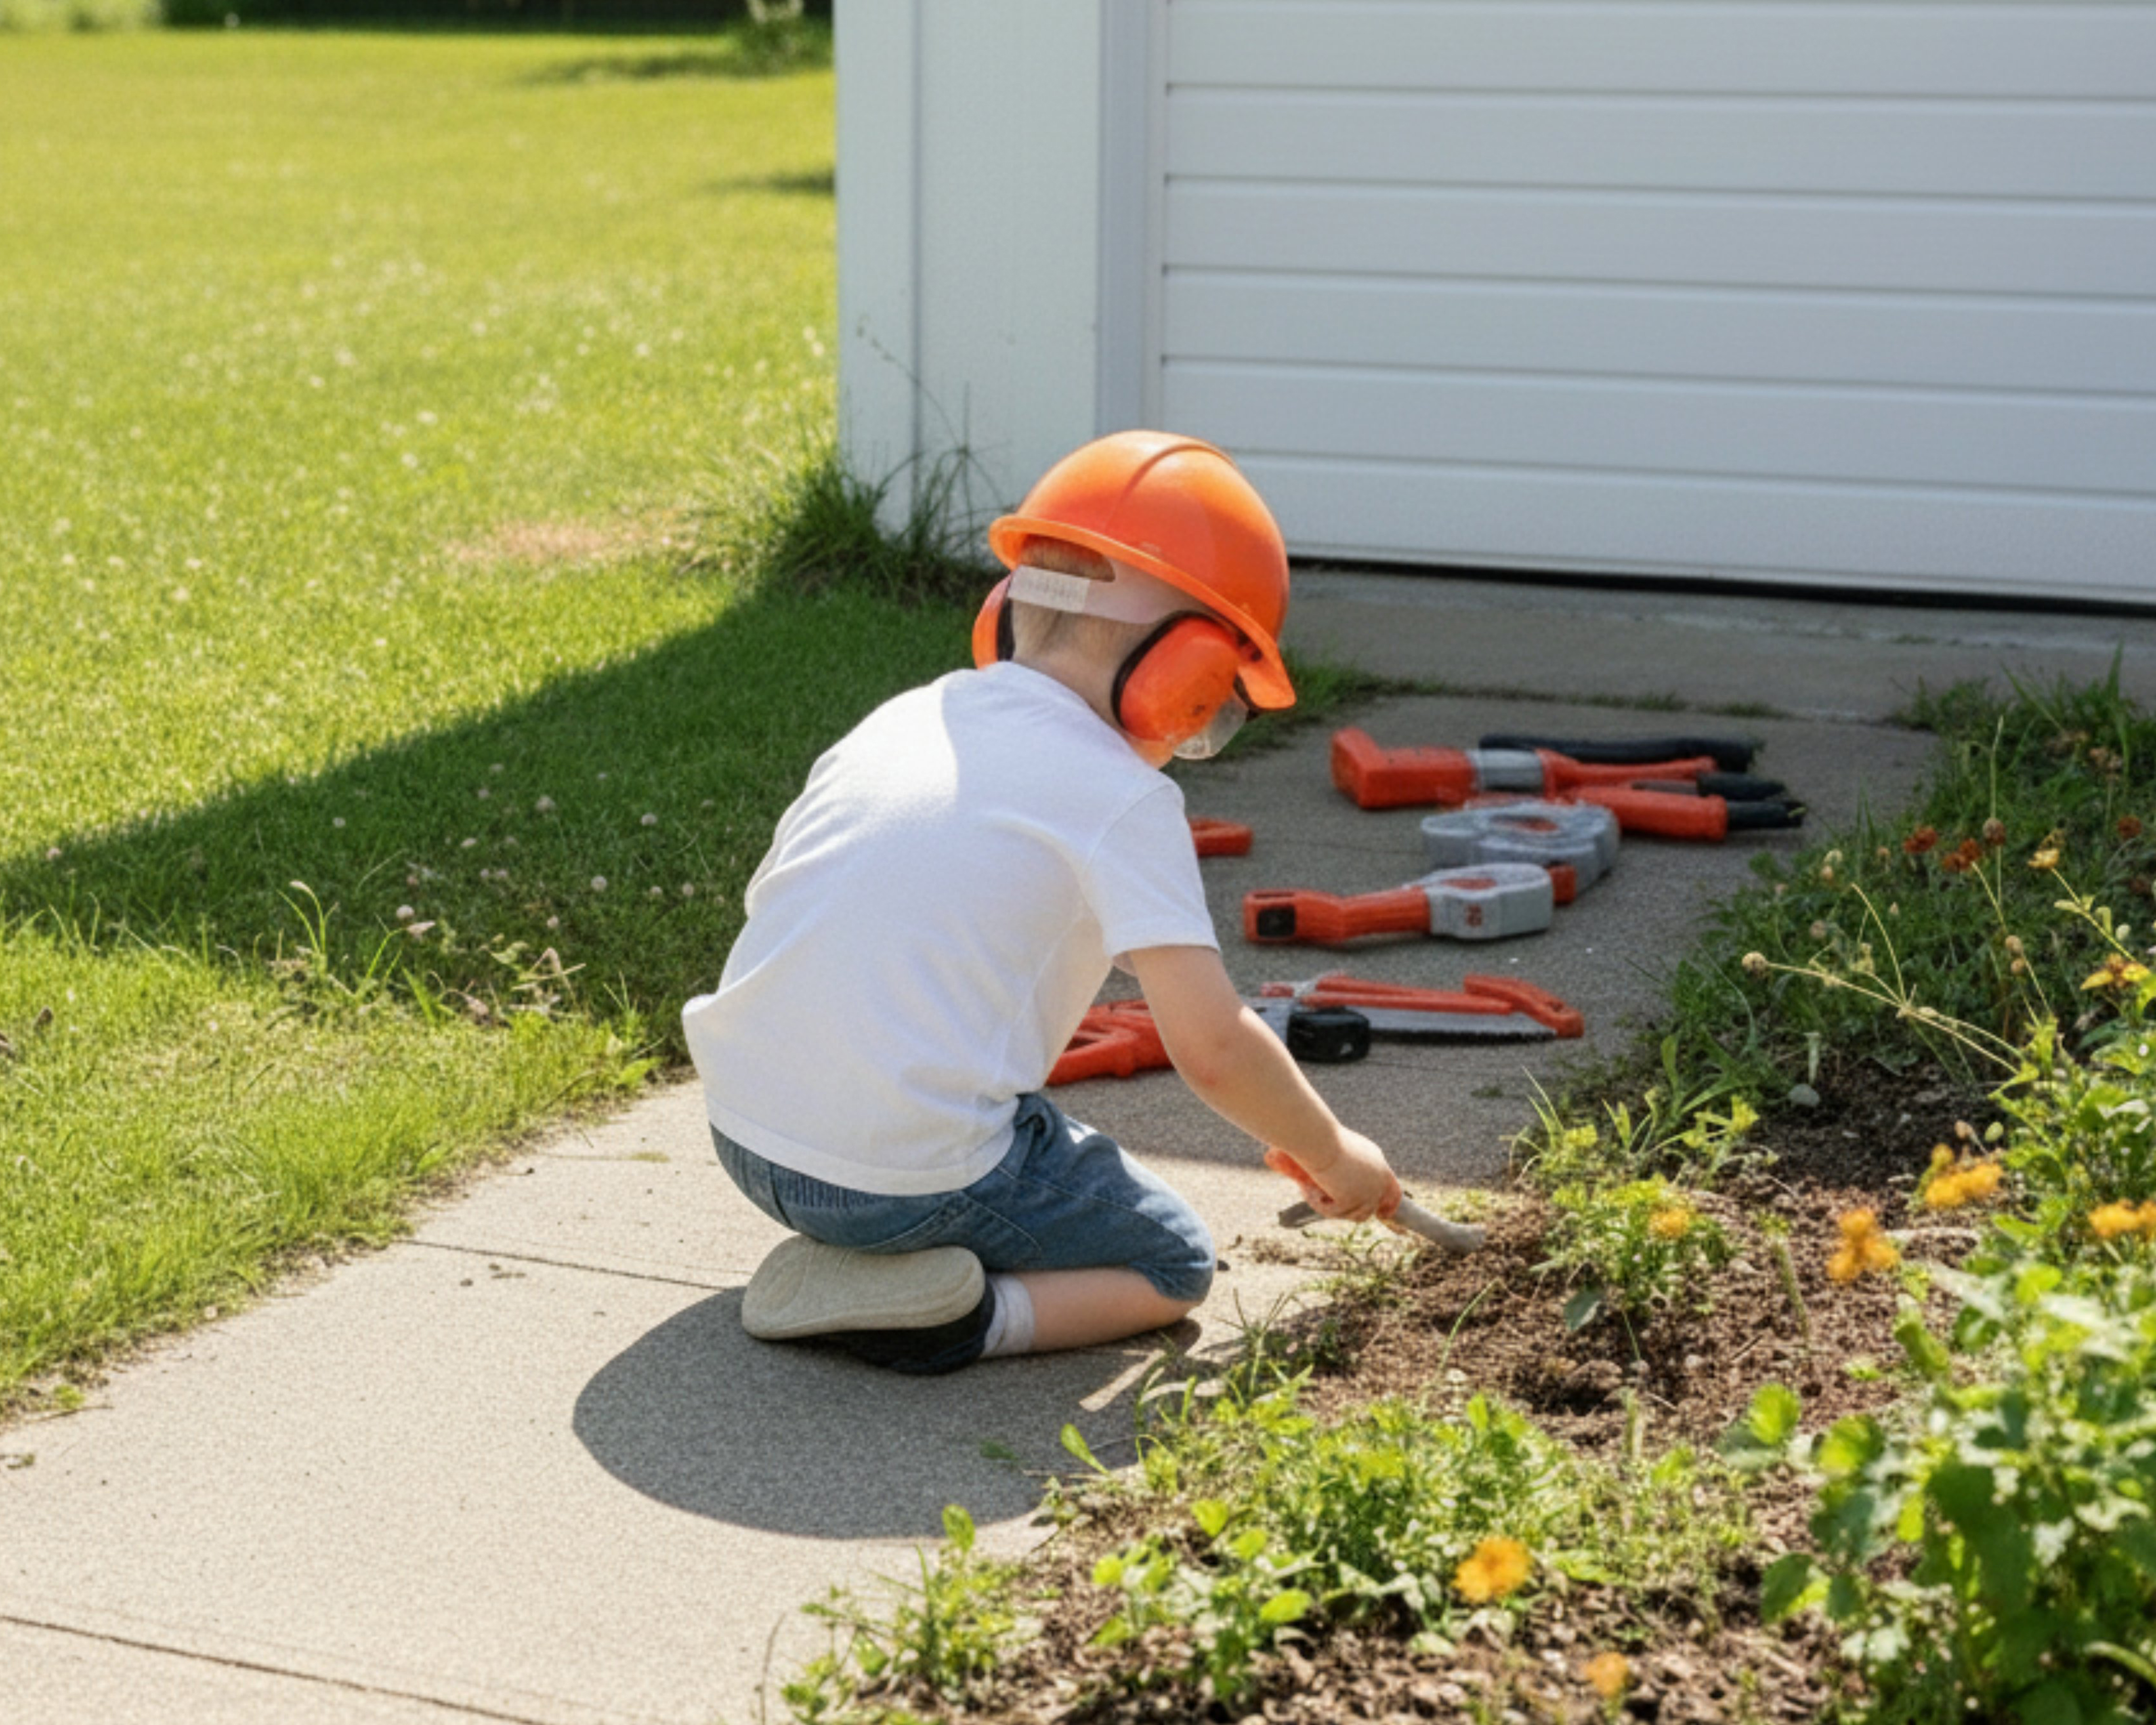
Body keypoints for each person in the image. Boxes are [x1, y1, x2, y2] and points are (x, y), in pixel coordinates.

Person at [682, 430, 1402, 1374]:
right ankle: (949, 1319)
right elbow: (1216, 1049)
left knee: (994, 1125)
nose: (1198, 728)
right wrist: (1335, 1151)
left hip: (743, 1136)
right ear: (1183, 669)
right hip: (894, 1185)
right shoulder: (1125, 797)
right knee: (1171, 1259)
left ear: (1006, 613)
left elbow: (786, 904)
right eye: (1215, 703)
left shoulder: (902, 720)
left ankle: (874, 1257)